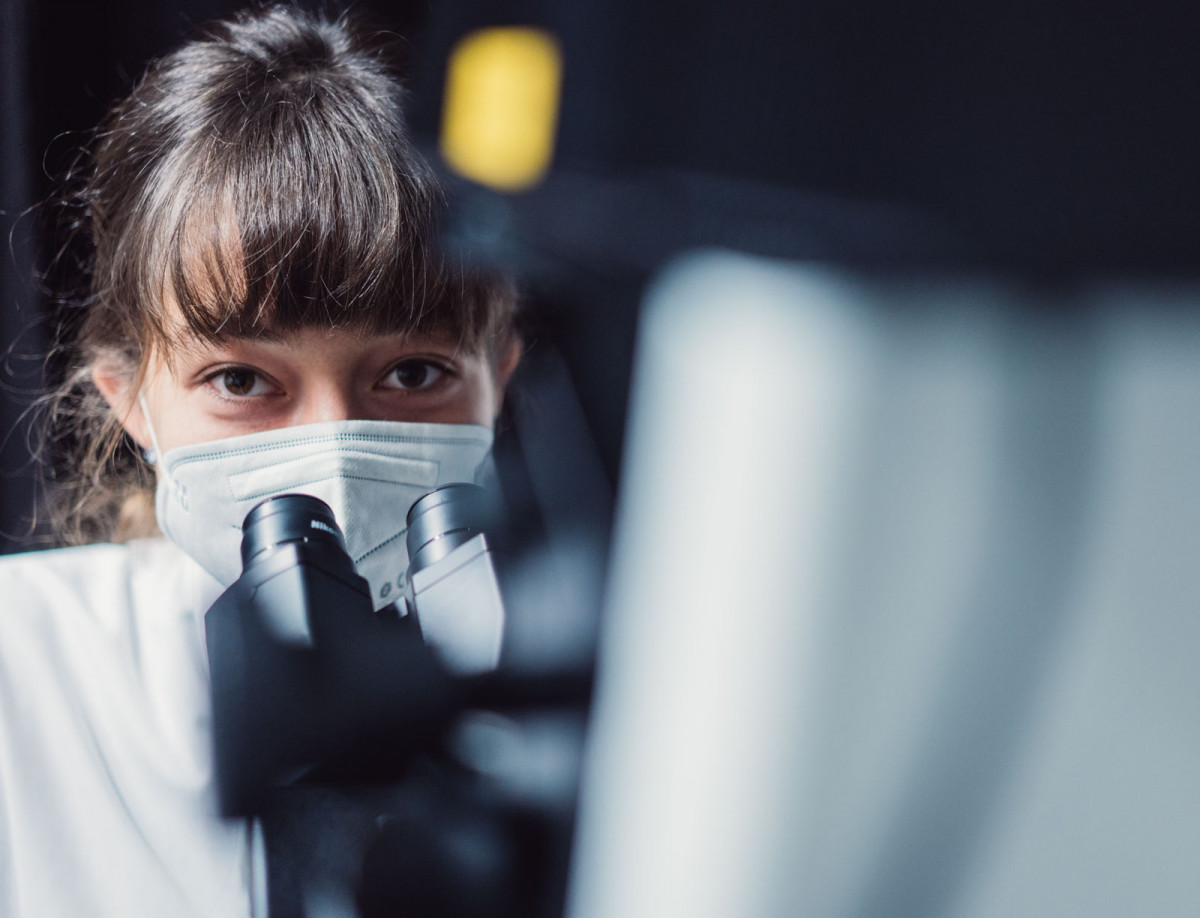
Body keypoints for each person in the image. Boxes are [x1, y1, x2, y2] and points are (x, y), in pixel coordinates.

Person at [0, 5, 521, 915]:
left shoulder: (627, 689)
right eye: (242, 379)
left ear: (500, 379)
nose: (331, 447)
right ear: (131, 401)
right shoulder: (21, 669)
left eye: (412, 371)